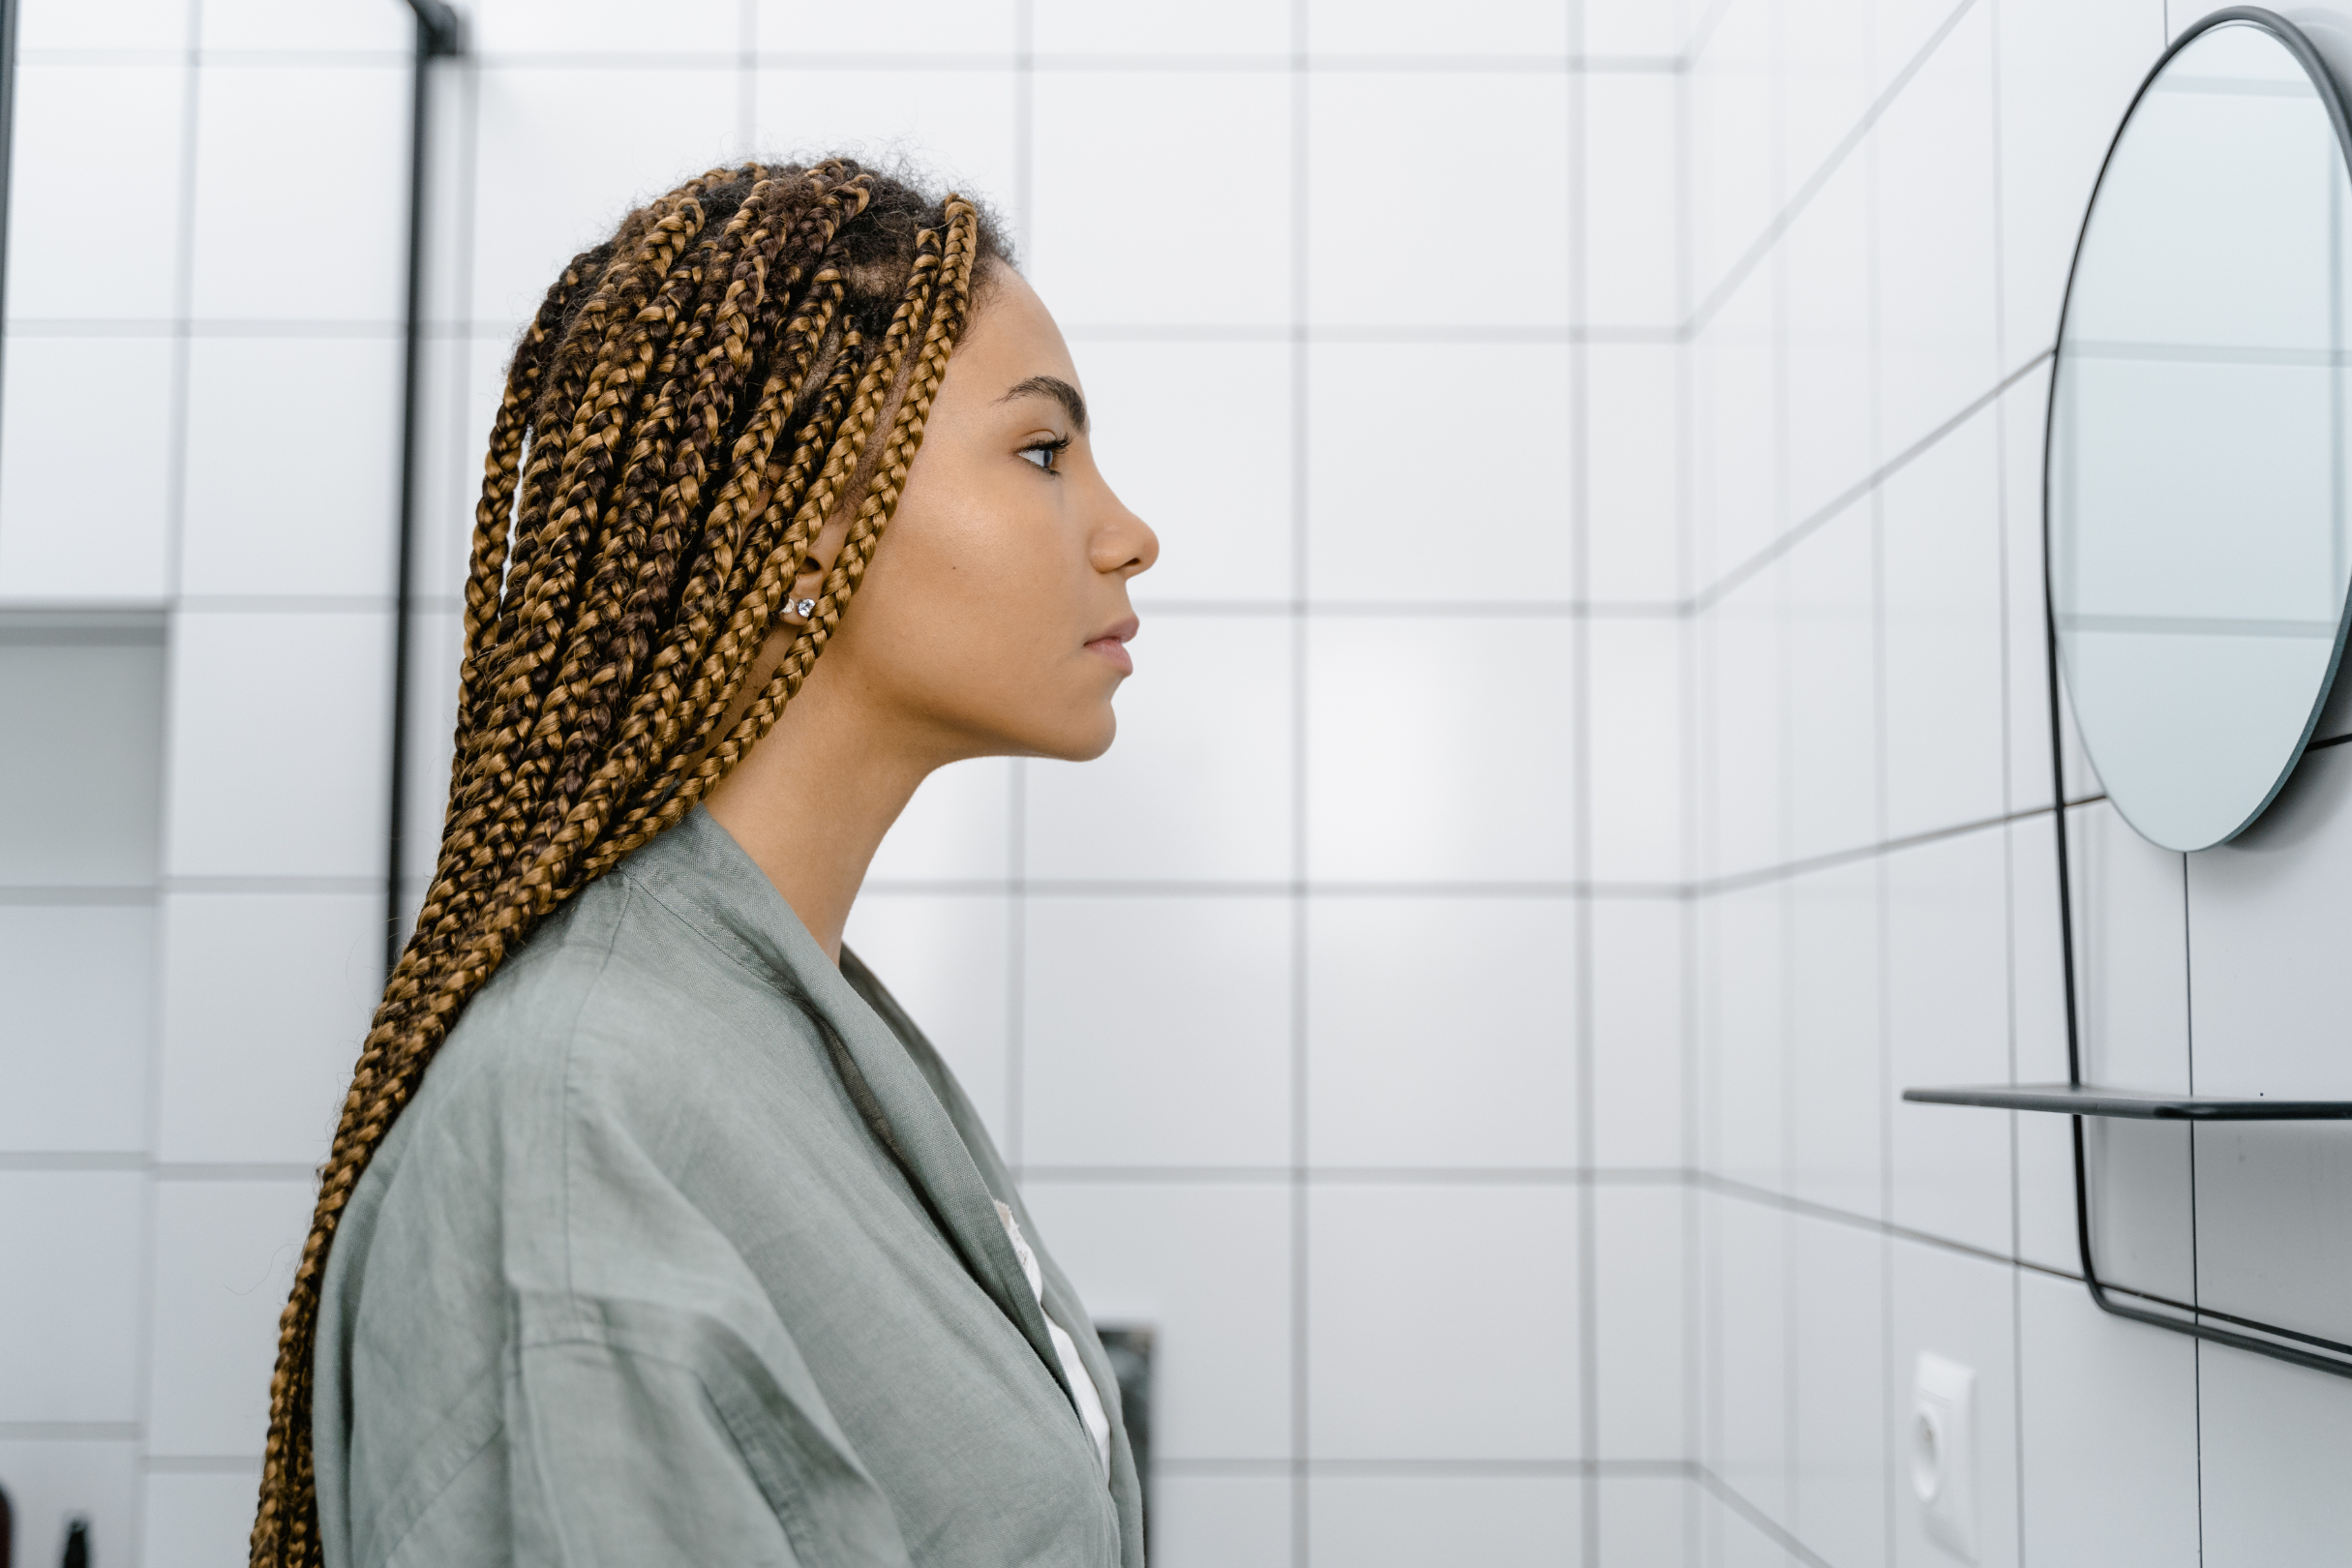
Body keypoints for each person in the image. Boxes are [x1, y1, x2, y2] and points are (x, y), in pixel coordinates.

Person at [248, 159, 1160, 1568]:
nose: (1127, 534)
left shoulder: (787, 1034)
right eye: (1042, 454)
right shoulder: (573, 1125)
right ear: (804, 514)